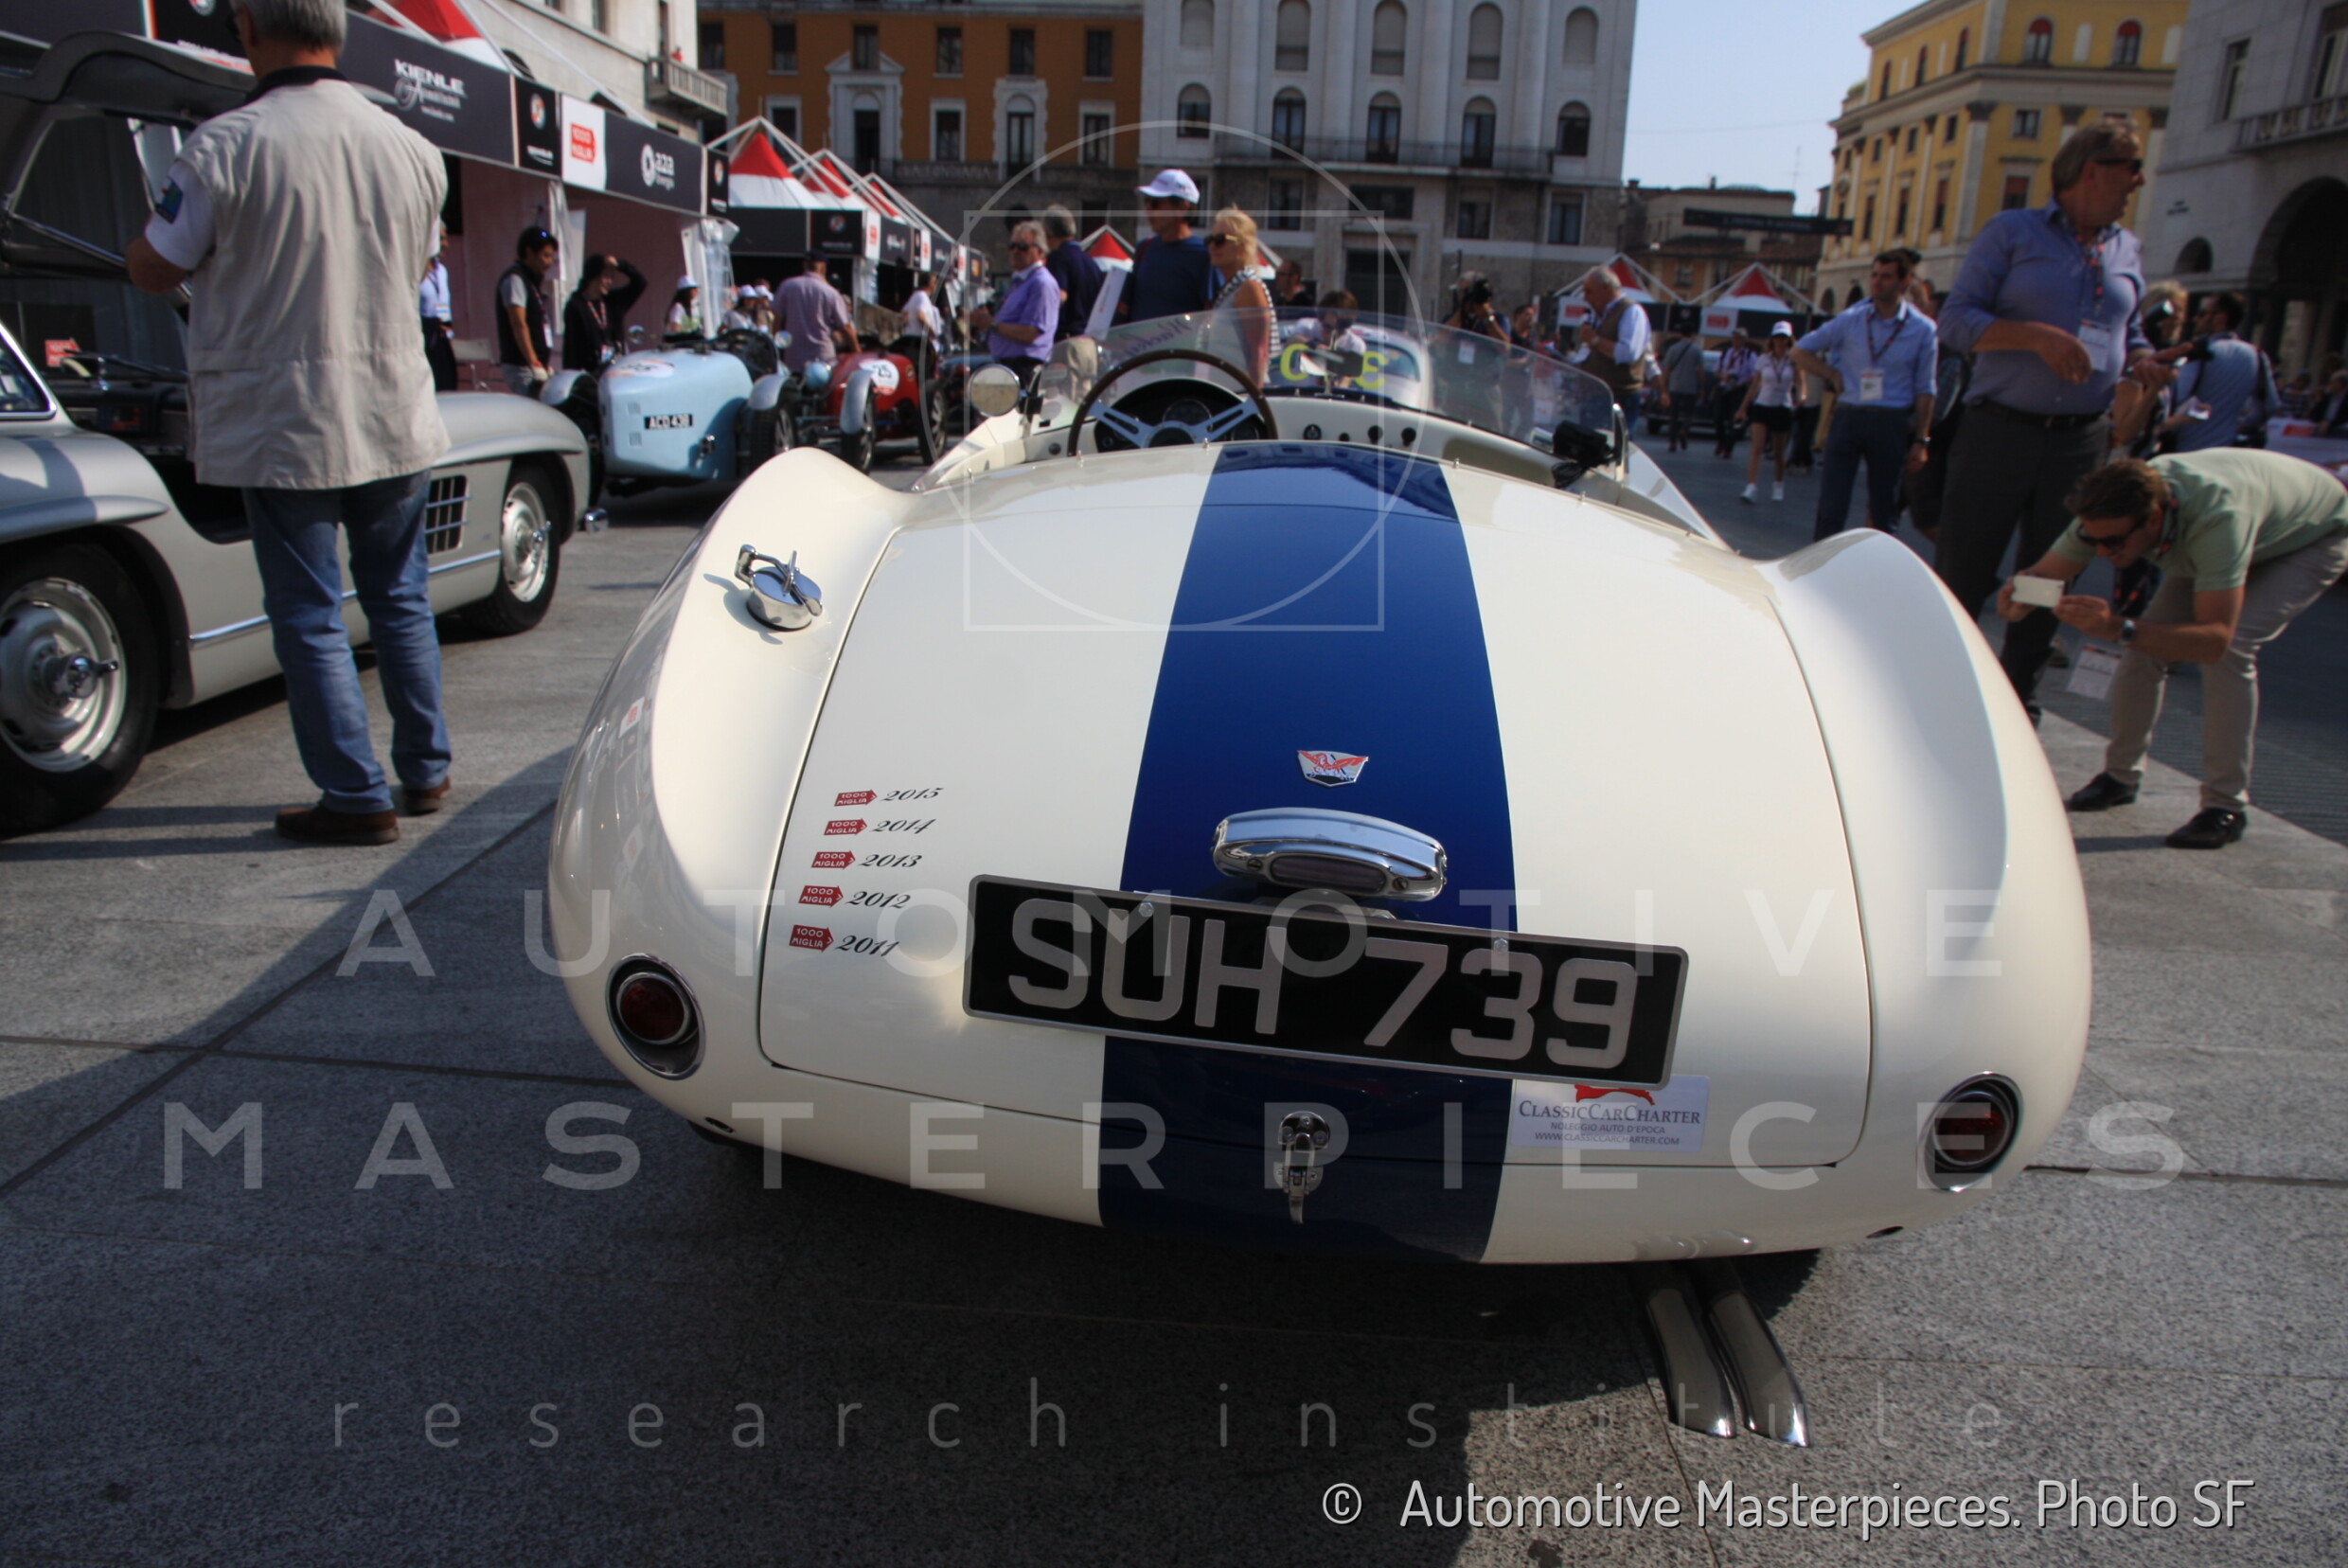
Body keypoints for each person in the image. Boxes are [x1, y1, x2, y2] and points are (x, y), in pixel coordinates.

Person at [125, 0, 449, 846]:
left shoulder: (225, 147)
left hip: (287, 418)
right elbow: (420, 262)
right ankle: (425, 770)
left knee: (308, 613)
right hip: (392, 405)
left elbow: (155, 267)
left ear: (249, 30)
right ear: (337, 33)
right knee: (401, 598)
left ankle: (354, 794)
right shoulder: (412, 150)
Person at [1932, 120, 2172, 716]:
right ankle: (1943, 698)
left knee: (2049, 580)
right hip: (1999, 431)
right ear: (2092, 170)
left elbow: (2128, 331)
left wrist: (2143, 359)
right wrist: (2035, 337)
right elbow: (1956, 321)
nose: (2139, 180)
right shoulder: (2012, 232)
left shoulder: (2127, 247)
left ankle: (2018, 702)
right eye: (2131, 167)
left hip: (2080, 442)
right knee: (1965, 573)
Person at [2003, 453, 2348, 848]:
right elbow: (2044, 574)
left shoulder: (2218, 519)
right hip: (2230, 528)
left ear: (2152, 519)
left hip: (2313, 538)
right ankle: (2120, 776)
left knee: (2231, 650)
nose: (2100, 554)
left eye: (2112, 543)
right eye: (2090, 540)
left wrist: (2116, 626)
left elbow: (2214, 640)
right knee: (2143, 646)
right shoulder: (2111, 510)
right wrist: (2019, 597)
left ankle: (2225, 806)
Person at [1793, 250, 1937, 541]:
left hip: (1891, 420)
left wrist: (1921, 440)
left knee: (1885, 507)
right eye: (1874, 275)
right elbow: (1800, 351)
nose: (1877, 282)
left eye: (1886, 276)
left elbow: (1926, 388)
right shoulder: (1851, 319)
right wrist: (1831, 374)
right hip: (1850, 414)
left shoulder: (1922, 329)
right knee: (1832, 504)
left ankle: (1877, 563)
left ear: (1904, 281)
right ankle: (1823, 561)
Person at [2158, 294, 2276, 453]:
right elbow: (2270, 405)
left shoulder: (2199, 352)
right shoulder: (2257, 355)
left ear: (2220, 318)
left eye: (2202, 314)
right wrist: (2241, 425)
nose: (2196, 319)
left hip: (2187, 447)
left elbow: (2178, 399)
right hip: (2229, 449)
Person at [1121, 169, 1217, 323]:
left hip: (1182, 339)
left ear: (1182, 208)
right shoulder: (1144, 247)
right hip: (1138, 338)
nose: (1148, 209)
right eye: (1146, 201)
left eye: (1155, 203)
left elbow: (1211, 315)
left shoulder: (1204, 255)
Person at [1573, 267, 1650, 430]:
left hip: (1617, 397)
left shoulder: (1631, 312)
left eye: (1589, 292)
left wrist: (1595, 340)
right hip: (1593, 395)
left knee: (1612, 443)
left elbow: (1627, 353)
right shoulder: (1598, 314)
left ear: (1606, 288)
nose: (1585, 298)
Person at [1737, 321, 1805, 504]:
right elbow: (1755, 385)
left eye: (1784, 338)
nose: (1780, 341)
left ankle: (1778, 484)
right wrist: (1743, 407)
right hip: (1763, 404)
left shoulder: (1793, 360)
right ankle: (1751, 487)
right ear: (1772, 339)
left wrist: (1802, 396)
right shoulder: (1764, 359)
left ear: (1789, 340)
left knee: (1778, 451)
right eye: (1777, 337)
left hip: (1782, 406)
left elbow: (1800, 382)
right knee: (1757, 448)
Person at [1204, 207, 1273, 382]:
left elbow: (1259, 354)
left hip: (1240, 392)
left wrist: (1254, 398)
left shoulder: (1249, 288)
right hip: (1223, 388)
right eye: (1210, 240)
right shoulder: (1230, 289)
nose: (1212, 246)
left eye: (1220, 240)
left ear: (1242, 246)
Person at [987, 221, 1058, 385]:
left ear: (1040, 251)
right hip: (1009, 365)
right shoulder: (1020, 281)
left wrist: (991, 324)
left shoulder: (1042, 283)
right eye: (1012, 246)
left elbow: (1030, 333)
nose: (1015, 251)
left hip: (1025, 367)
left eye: (1023, 247)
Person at [493, 225, 558, 395]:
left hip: (536, 366)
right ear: (529, 253)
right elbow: (518, 323)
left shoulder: (532, 281)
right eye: (545, 256)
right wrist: (534, 362)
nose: (549, 262)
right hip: (521, 367)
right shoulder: (515, 279)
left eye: (552, 257)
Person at [776, 255, 856, 384]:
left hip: (793, 357)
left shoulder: (787, 286)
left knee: (793, 391)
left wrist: (779, 349)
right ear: (824, 269)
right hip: (823, 359)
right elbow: (846, 327)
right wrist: (858, 353)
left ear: (804, 266)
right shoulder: (830, 292)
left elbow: (777, 322)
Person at [561, 254, 646, 372]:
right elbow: (571, 346)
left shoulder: (613, 301)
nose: (609, 282)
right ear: (593, 276)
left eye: (612, 277)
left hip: (616, 370)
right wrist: (571, 375)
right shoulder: (576, 305)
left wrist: (620, 264)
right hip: (590, 372)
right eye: (606, 276)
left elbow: (640, 282)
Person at [1041, 205, 1104, 342]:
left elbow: (1060, 295)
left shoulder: (1058, 258)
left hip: (1066, 339)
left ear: (1047, 233)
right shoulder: (1091, 263)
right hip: (1090, 339)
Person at [418, 223, 454, 392]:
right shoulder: (418, 271)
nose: (445, 244)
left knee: (447, 383)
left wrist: (448, 329)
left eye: (445, 238)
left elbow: (442, 303)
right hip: (424, 334)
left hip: (442, 334)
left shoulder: (442, 271)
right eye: (440, 239)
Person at [1711, 329, 1757, 456]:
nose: (1736, 341)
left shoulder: (1749, 355)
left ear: (1744, 340)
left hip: (1739, 389)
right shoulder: (1726, 353)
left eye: (1739, 338)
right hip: (1724, 387)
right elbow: (1716, 371)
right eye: (1735, 338)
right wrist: (1724, 377)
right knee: (1718, 418)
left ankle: (1728, 447)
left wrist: (1740, 382)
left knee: (1735, 420)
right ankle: (1721, 441)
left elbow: (1754, 376)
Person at [1658, 330, 1705, 453]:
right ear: (1692, 335)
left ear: (1680, 334)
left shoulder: (1673, 349)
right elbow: (1700, 370)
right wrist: (1701, 387)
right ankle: (1684, 429)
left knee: (1673, 415)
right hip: (1690, 387)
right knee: (1689, 413)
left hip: (1675, 386)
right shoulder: (1697, 350)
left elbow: (1667, 369)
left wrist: (1663, 386)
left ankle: (1672, 442)